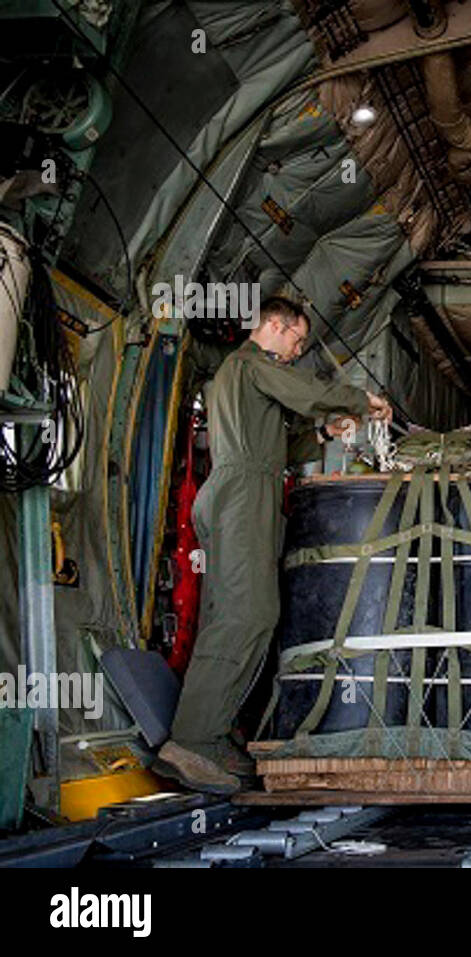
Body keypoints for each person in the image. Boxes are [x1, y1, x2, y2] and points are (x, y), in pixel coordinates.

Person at [156, 297, 392, 794]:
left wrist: (326, 430)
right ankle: (191, 739)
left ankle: (213, 735)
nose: (298, 349)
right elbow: (304, 391)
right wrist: (358, 400)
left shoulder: (246, 381)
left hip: (249, 493)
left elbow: (283, 446)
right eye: (297, 338)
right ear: (274, 325)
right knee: (246, 614)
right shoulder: (249, 365)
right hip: (242, 496)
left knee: (246, 614)